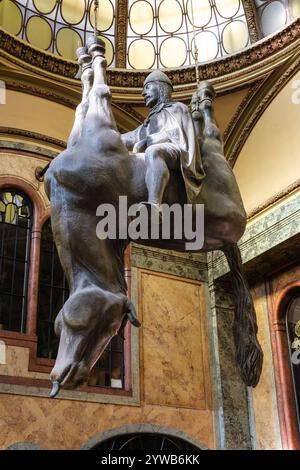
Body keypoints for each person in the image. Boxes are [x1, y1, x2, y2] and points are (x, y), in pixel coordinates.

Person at [121, 70, 205, 217]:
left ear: (160, 87)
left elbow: (177, 133)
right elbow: (133, 136)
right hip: (163, 149)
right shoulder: (150, 120)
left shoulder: (178, 108)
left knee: (153, 151)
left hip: (179, 152)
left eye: (147, 87)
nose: (143, 93)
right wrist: (108, 137)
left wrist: (150, 140)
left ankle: (155, 205)